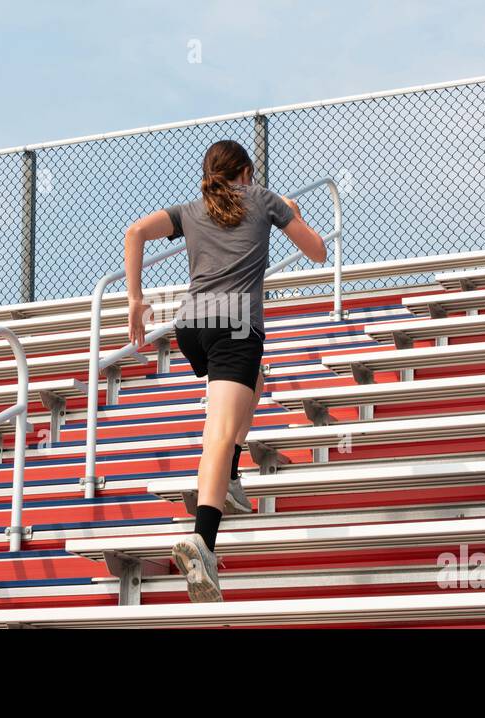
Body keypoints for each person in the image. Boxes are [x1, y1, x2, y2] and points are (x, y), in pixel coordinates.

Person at [123, 140, 327, 601]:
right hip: (236, 324)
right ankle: (204, 542)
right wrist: (290, 211)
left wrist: (135, 300)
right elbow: (317, 252)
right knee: (217, 430)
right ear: (247, 173)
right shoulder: (263, 200)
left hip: (192, 325)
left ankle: (231, 475)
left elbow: (134, 231)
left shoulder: (192, 210)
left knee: (254, 378)